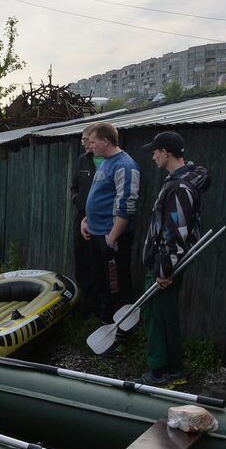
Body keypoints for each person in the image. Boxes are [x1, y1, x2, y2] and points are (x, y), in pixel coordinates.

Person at [139, 131, 210, 387]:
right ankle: (175, 370)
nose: (153, 156)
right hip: (166, 263)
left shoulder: (180, 187)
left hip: (166, 264)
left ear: (166, 152)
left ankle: (160, 372)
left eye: (155, 152)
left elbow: (176, 231)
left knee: (156, 317)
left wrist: (164, 270)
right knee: (164, 315)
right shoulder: (178, 181)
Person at [80, 122, 139, 324]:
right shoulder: (105, 162)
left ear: (105, 141)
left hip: (112, 238)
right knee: (101, 281)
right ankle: (106, 322)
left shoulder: (125, 165)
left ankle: (122, 332)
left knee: (118, 285)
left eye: (93, 141)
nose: (90, 145)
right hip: (96, 233)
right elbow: (101, 198)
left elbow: (126, 205)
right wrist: (86, 220)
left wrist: (111, 238)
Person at [69, 124, 102, 314]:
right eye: (82, 140)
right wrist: (77, 199)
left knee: (96, 263)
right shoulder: (82, 161)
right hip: (81, 217)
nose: (83, 144)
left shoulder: (106, 162)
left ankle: (98, 308)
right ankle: (85, 305)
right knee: (80, 259)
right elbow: (74, 186)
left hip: (99, 220)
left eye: (85, 140)